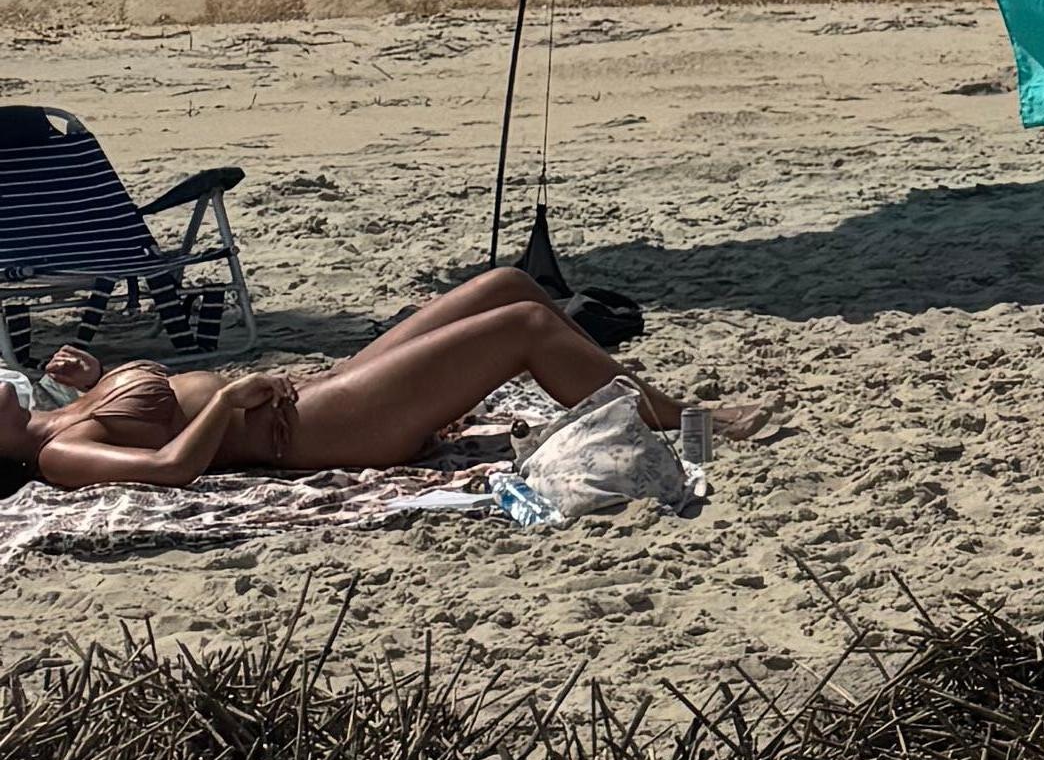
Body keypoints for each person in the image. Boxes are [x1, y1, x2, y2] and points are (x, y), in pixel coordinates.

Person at [1, 267, 780, 497]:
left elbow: (158, 415)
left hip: (318, 390)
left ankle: (623, 392)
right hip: (316, 429)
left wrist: (96, 377)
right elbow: (172, 467)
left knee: (508, 285)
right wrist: (232, 400)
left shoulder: (63, 409)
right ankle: (684, 419)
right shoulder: (58, 456)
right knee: (524, 328)